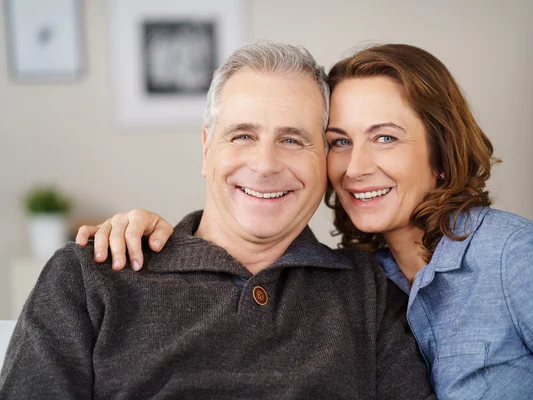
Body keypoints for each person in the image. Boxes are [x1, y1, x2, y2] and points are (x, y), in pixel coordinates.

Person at [82, 43, 533, 399]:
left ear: (440, 153)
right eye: (339, 142)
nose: (355, 167)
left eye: (386, 137)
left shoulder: (519, 261)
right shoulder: (377, 278)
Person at [0, 41, 435, 399]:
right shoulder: (88, 274)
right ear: (207, 149)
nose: (265, 164)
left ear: (324, 160)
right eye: (243, 135)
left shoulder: (371, 291)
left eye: (292, 139)